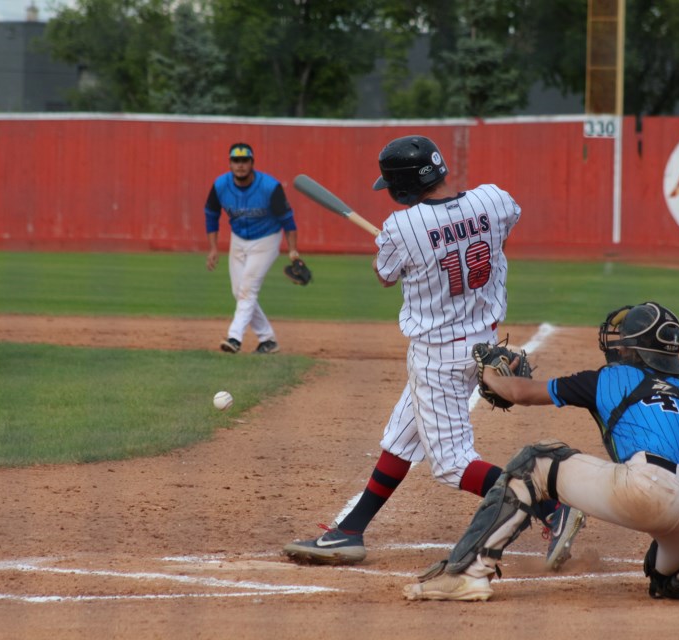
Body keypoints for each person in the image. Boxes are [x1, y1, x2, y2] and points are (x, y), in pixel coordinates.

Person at [282, 135, 584, 569]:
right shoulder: (494, 200)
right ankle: (349, 531)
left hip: (437, 353)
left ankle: (550, 507)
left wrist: (409, 245)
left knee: (450, 464)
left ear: (402, 186)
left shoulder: (400, 228)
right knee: (401, 436)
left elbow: (385, 275)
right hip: (485, 346)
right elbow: (494, 226)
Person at [403, 302, 679, 603]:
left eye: (624, 341)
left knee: (535, 461)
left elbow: (523, 393)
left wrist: (489, 376)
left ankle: (468, 573)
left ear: (633, 349)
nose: (618, 345)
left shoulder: (610, 378)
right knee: (664, 575)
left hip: (649, 489)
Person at [205, 142, 301, 355]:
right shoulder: (220, 185)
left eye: (244, 161)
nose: (240, 165)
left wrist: (293, 251)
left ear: (252, 163)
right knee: (238, 291)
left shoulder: (269, 186)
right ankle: (267, 340)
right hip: (238, 239)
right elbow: (211, 215)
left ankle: (234, 338)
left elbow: (288, 221)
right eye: (236, 161)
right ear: (230, 163)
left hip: (267, 239)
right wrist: (213, 248)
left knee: (248, 288)